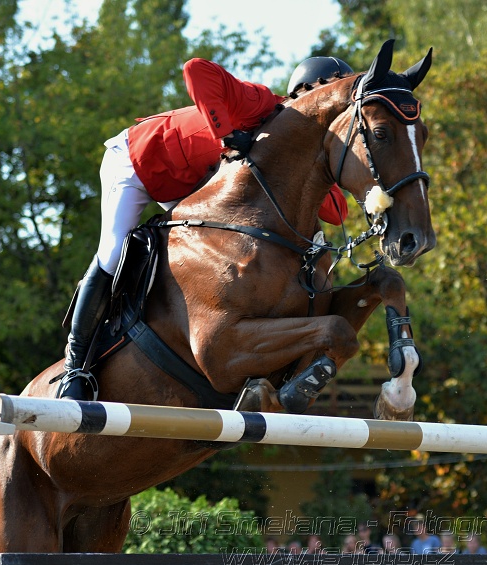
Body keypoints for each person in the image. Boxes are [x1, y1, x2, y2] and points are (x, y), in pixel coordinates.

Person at [55, 55, 354, 401]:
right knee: (111, 254)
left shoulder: (295, 153)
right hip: (137, 162)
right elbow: (195, 69)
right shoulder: (259, 102)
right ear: (308, 92)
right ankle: (75, 367)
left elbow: (337, 210)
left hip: (186, 189)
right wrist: (227, 135)